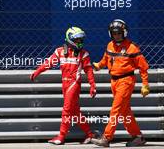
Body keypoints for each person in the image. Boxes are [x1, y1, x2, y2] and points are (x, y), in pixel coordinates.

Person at [30, 27, 97, 145]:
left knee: (66, 109)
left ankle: (61, 136)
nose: (80, 42)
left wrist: (92, 85)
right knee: (75, 112)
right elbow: (48, 63)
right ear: (69, 39)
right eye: (77, 40)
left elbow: (89, 70)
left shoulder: (84, 54)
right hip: (64, 85)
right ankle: (90, 134)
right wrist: (37, 71)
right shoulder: (60, 51)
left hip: (74, 84)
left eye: (81, 39)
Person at [91, 19, 150, 147]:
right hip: (114, 81)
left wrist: (145, 84)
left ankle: (106, 138)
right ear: (110, 34)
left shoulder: (132, 47)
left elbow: (143, 67)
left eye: (119, 33)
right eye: (114, 33)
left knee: (116, 110)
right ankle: (138, 137)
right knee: (125, 111)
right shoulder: (109, 45)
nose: (116, 35)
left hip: (126, 81)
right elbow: (105, 60)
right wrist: (98, 66)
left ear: (124, 33)